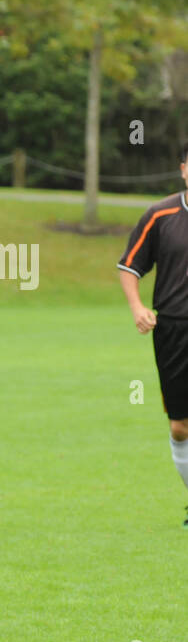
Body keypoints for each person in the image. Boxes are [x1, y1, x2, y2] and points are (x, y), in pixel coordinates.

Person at [117, 141, 188, 527]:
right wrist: (137, 307)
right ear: (182, 169)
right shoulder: (160, 215)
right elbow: (129, 266)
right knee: (180, 425)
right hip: (174, 330)